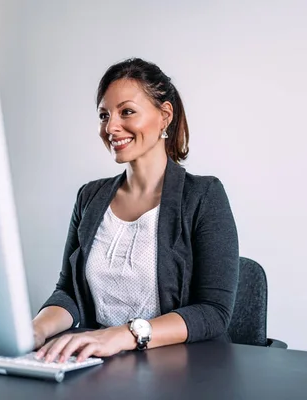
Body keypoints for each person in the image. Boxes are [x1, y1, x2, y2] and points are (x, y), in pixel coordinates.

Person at [31, 58, 239, 363]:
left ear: (164, 116)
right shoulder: (90, 197)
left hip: (182, 370)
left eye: (126, 112)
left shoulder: (203, 195)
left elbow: (213, 311)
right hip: (99, 363)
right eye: (104, 115)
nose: (111, 127)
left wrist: (123, 335)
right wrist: (35, 330)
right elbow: (69, 293)